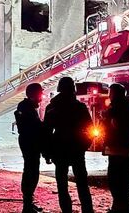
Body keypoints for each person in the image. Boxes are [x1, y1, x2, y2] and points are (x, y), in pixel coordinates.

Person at [43, 77, 94, 213]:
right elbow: (90, 128)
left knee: (62, 185)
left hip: (59, 149)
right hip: (77, 148)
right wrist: (85, 145)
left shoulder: (52, 108)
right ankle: (87, 210)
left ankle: (67, 210)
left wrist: (47, 153)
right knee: (82, 184)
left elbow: (47, 132)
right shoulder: (79, 107)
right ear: (73, 89)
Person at [103, 83, 129, 213]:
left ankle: (118, 207)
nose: (109, 95)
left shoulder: (115, 109)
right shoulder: (128, 107)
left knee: (115, 178)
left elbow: (114, 125)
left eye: (110, 93)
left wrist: (105, 116)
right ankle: (125, 206)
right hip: (124, 146)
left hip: (115, 146)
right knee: (125, 176)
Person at [15, 83, 46, 213]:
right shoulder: (27, 108)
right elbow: (35, 127)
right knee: (31, 172)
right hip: (30, 142)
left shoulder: (27, 106)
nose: (42, 97)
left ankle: (29, 203)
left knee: (31, 171)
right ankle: (27, 205)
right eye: (40, 94)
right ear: (35, 94)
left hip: (28, 141)